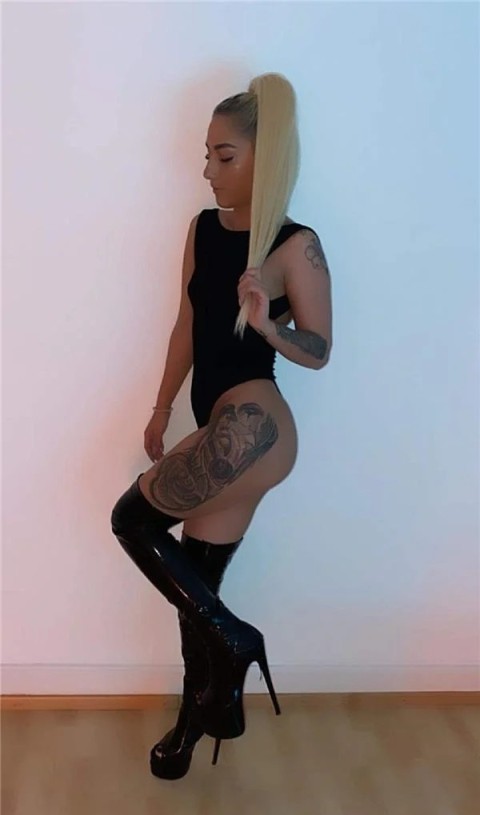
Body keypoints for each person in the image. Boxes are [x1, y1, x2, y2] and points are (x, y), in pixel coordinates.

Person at [110, 72, 332, 780]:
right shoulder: (203, 229)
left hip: (255, 427)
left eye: (224, 155)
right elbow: (187, 322)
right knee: (196, 594)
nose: (208, 169)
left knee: (131, 520)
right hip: (220, 429)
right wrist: (160, 406)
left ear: (265, 160)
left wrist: (270, 326)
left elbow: (321, 350)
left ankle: (235, 642)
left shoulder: (295, 246)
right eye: (207, 154)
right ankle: (202, 717)